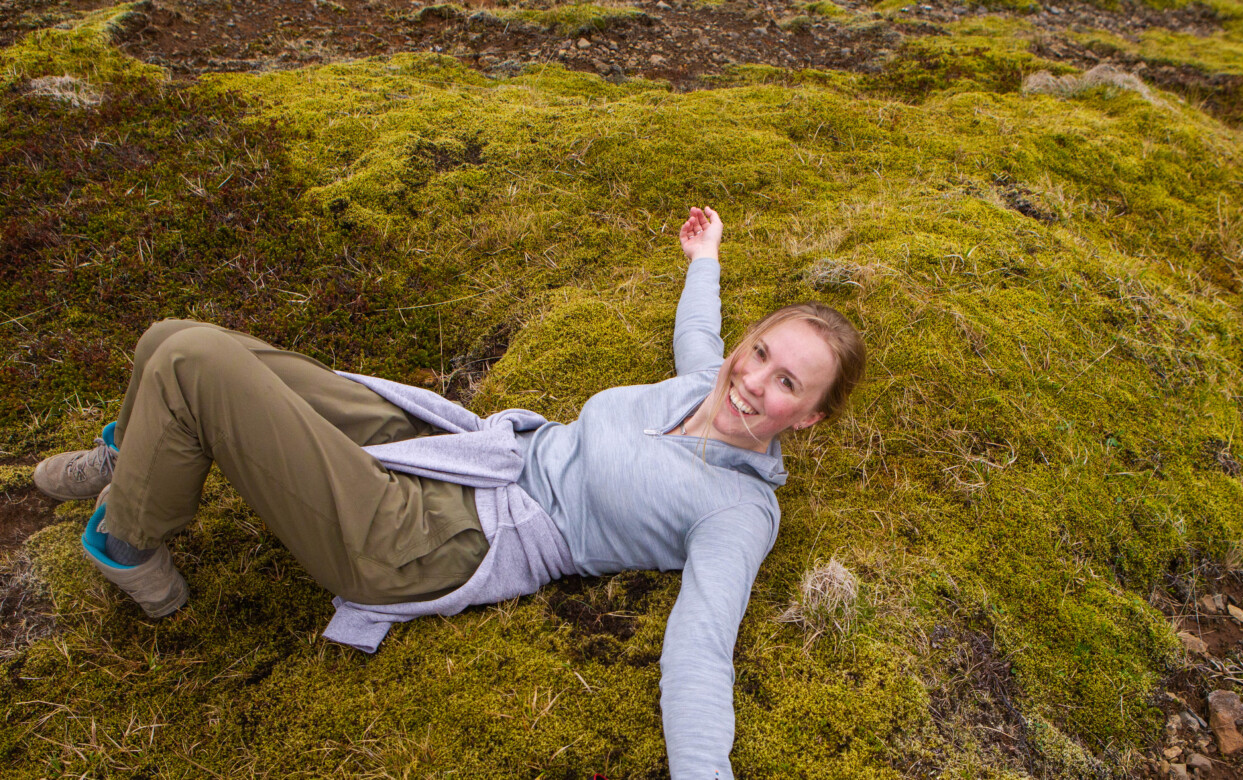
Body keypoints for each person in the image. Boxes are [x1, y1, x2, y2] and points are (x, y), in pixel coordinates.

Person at [33, 206, 866, 779]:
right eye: (759, 353)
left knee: (193, 365)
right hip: (463, 452)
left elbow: (700, 651)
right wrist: (706, 258)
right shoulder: (699, 385)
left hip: (435, 539)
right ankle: (141, 459)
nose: (753, 381)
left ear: (812, 420)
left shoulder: (738, 512)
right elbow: (701, 336)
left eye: (788, 382)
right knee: (170, 336)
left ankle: (131, 544)